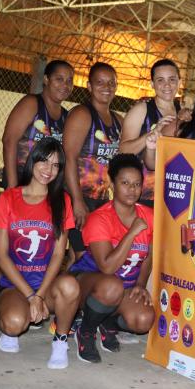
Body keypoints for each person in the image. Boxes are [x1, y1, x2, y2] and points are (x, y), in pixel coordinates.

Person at [0, 138, 80, 369]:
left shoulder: (62, 201)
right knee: (13, 325)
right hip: (15, 283)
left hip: (47, 285)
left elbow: (58, 254)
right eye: (44, 161)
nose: (48, 170)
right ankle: (15, 319)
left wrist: (40, 295)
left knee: (70, 285)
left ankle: (61, 341)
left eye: (55, 165)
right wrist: (30, 296)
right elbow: (1, 255)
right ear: (33, 161)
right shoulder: (8, 198)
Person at [69, 154, 155, 360]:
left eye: (136, 184)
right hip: (89, 283)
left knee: (143, 320)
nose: (132, 189)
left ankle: (106, 321)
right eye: (125, 183)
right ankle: (86, 331)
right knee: (111, 285)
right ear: (112, 183)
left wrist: (141, 285)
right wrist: (132, 233)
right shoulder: (100, 218)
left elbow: (149, 255)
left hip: (122, 287)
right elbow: (107, 267)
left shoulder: (149, 216)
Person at [62, 62, 121, 257]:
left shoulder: (118, 120)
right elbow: (68, 158)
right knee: (86, 257)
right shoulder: (82, 114)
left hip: (102, 199)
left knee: (79, 257)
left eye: (111, 82)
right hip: (78, 196)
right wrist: (77, 201)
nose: (107, 87)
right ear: (89, 86)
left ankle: (66, 287)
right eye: (100, 82)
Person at [119, 58, 190, 205]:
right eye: (160, 80)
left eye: (172, 79)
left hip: (173, 191)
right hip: (143, 192)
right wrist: (152, 133)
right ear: (152, 84)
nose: (167, 85)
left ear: (179, 82)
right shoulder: (141, 110)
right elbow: (122, 150)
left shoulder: (184, 113)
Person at [2, 59, 74, 188]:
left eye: (69, 81)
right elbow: (9, 140)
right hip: (22, 178)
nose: (65, 85)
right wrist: (12, 184)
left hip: (47, 182)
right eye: (59, 79)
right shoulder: (31, 103)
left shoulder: (66, 116)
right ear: (46, 79)